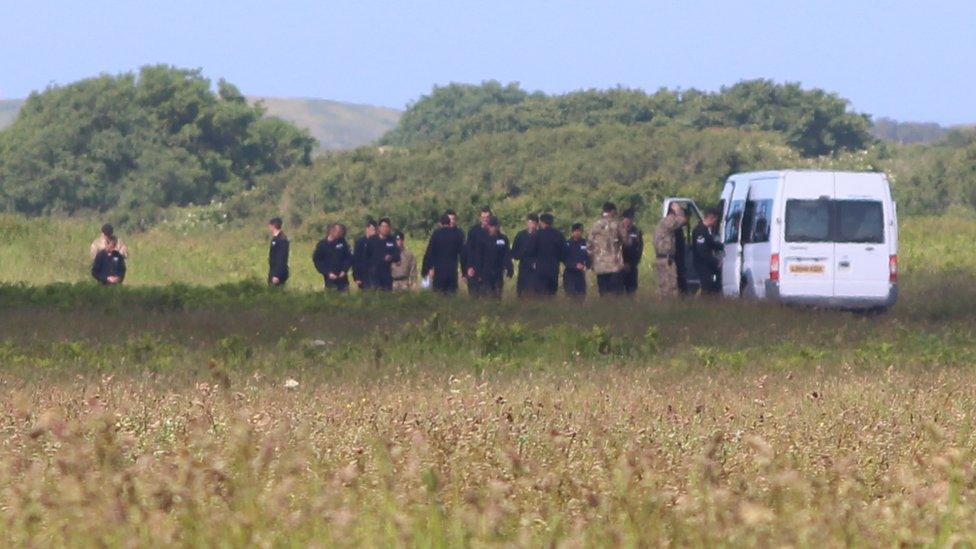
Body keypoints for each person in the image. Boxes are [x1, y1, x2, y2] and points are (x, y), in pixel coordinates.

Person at [587, 202, 631, 296]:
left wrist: (592, 262)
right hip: (614, 265)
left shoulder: (595, 225)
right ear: (612, 211)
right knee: (616, 295)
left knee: (603, 294)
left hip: (600, 266)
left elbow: (589, 245)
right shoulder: (617, 224)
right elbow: (627, 242)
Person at [471, 216, 513, 298]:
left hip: (498, 271)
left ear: (498, 226)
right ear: (488, 226)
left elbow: (506, 254)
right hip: (485, 272)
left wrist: (509, 267)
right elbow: (478, 256)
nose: (493, 228)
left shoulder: (503, 239)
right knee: (486, 294)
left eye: (495, 226)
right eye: (491, 226)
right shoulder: (482, 239)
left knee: (497, 293)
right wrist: (478, 273)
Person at [422, 214, 465, 294]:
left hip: (439, 273)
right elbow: (463, 254)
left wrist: (425, 270)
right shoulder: (457, 235)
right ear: (449, 223)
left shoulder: (436, 234)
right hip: (452, 272)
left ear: (440, 224)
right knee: (451, 296)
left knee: (439, 296)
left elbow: (429, 253)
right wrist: (464, 271)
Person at [652, 202, 688, 298]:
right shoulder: (668, 221)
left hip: (662, 258)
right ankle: (669, 307)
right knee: (670, 287)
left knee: (663, 285)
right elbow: (683, 220)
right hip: (667, 260)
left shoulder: (662, 222)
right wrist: (678, 210)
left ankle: (665, 307)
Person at [526, 213, 565, 296]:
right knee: (551, 293)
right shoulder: (558, 235)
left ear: (541, 222)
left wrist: (532, 262)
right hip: (554, 268)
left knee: (540, 294)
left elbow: (529, 251)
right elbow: (564, 252)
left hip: (540, 269)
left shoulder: (537, 235)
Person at [692, 208, 724, 294]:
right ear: (711, 218)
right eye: (716, 220)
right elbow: (702, 251)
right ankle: (705, 302)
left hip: (706, 262)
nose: (715, 223)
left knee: (714, 281)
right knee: (706, 285)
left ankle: (713, 296)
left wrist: (723, 246)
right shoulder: (700, 231)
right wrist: (715, 262)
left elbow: (711, 244)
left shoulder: (706, 230)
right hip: (701, 263)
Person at [312, 223, 352, 291]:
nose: (340, 234)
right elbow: (317, 261)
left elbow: (348, 258)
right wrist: (327, 273)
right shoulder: (322, 245)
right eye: (338, 232)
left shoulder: (343, 242)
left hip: (343, 280)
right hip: (330, 279)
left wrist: (344, 270)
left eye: (341, 232)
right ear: (331, 231)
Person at [364, 218, 401, 291]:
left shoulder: (392, 240)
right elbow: (365, 257)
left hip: (387, 276)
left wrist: (391, 257)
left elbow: (397, 257)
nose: (385, 229)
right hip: (373, 276)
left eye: (387, 226)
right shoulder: (372, 240)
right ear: (379, 228)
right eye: (383, 226)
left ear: (390, 228)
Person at [464, 206, 492, 296]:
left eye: (487, 217)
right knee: (474, 295)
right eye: (483, 217)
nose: (485, 219)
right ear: (480, 218)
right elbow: (468, 250)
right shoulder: (473, 231)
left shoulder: (494, 232)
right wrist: (469, 267)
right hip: (475, 268)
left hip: (489, 269)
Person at [511, 214, 539, 297]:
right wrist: (520, 254)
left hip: (536, 267)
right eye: (530, 223)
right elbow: (514, 251)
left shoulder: (540, 235)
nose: (532, 225)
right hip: (523, 265)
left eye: (534, 223)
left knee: (534, 290)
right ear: (527, 223)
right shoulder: (520, 235)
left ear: (537, 224)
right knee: (522, 289)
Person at [562, 223, 590, 298]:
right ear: (572, 232)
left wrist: (586, 265)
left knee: (581, 295)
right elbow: (564, 259)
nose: (578, 233)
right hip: (569, 274)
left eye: (580, 231)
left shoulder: (585, 243)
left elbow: (588, 256)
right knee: (571, 295)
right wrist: (574, 265)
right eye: (576, 231)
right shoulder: (567, 243)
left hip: (580, 274)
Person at [620, 208, 644, 295]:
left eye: (631, 218)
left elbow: (640, 247)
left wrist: (634, 262)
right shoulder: (618, 230)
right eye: (627, 218)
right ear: (623, 219)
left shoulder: (636, 231)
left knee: (632, 288)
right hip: (620, 265)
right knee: (620, 288)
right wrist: (624, 262)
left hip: (633, 264)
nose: (629, 221)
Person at [353, 219, 378, 290]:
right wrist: (356, 277)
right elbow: (356, 261)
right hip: (363, 276)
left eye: (375, 230)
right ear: (367, 229)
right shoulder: (360, 242)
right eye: (372, 229)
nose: (374, 232)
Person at [267, 217, 289, 287]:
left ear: (273, 226)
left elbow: (281, 258)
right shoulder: (275, 239)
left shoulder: (282, 240)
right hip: (273, 270)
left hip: (278, 272)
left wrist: (277, 275)